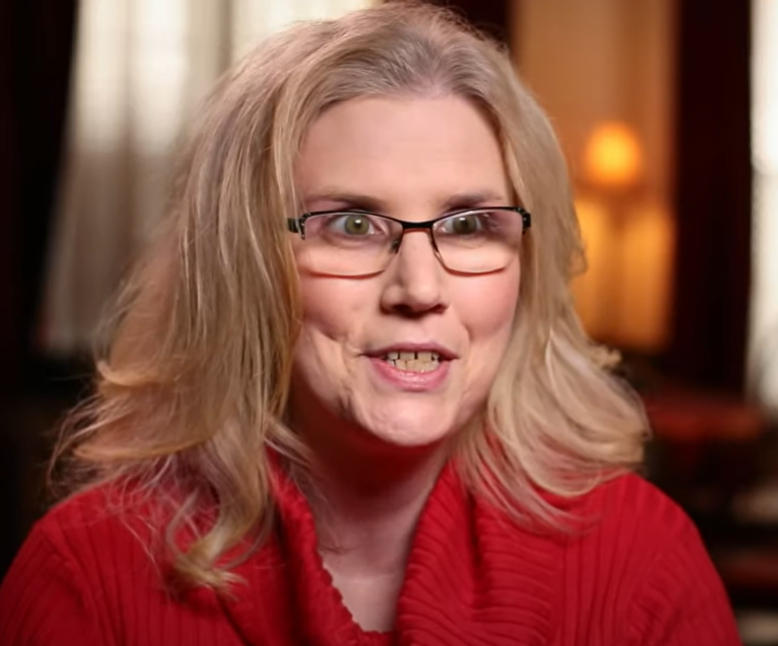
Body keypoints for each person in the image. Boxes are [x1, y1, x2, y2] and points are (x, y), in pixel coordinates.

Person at [0, 3, 741, 645]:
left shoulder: (642, 563)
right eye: (352, 224)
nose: (419, 287)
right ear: (247, 264)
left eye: (469, 224)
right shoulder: (87, 577)